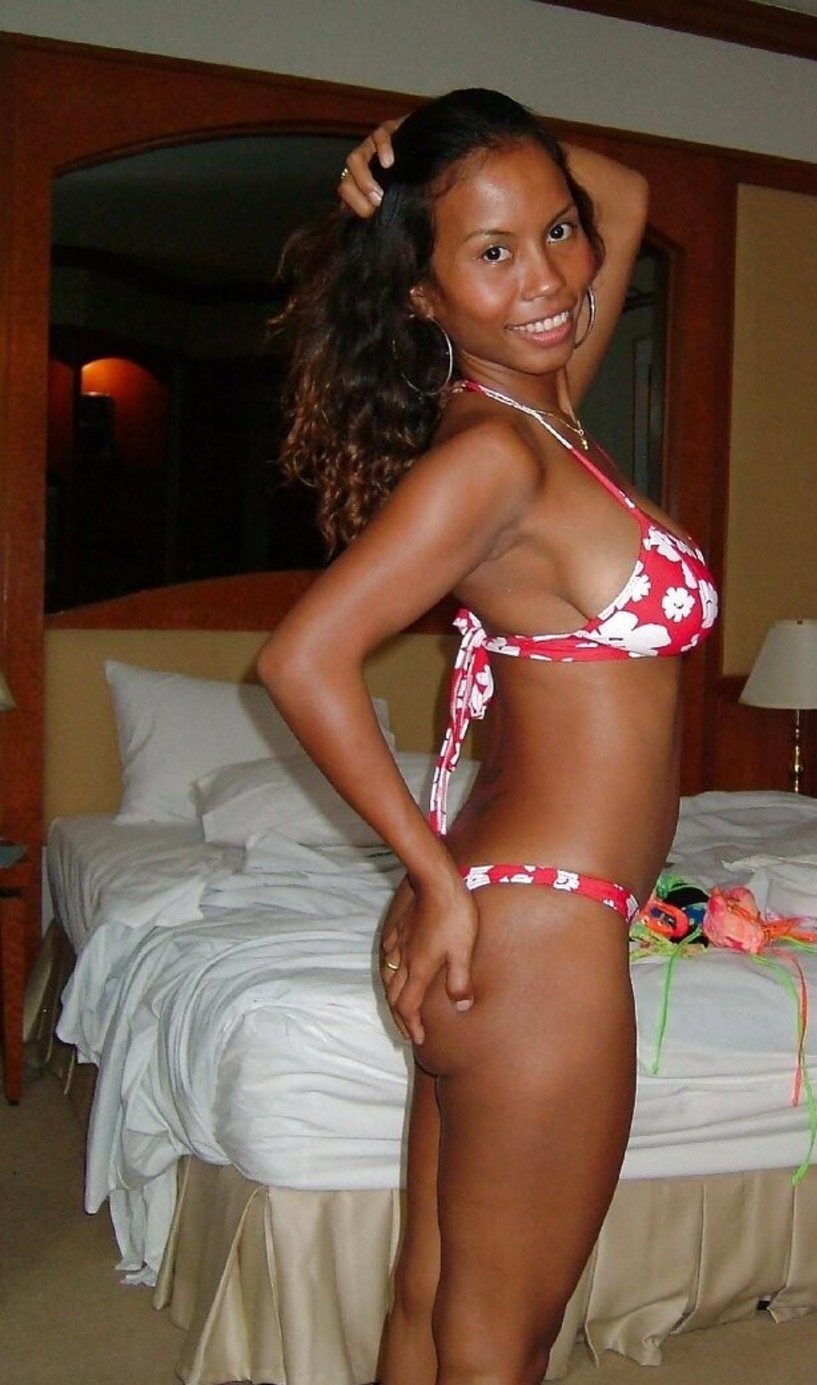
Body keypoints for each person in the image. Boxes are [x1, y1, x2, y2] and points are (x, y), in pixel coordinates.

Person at [258, 88, 718, 1385]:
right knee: (497, 1343)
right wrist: (433, 876)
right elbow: (302, 660)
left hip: (508, 922)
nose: (551, 278)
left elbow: (626, 194)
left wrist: (433, 133)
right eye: (493, 252)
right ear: (424, 292)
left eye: (556, 232)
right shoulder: (495, 460)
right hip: (534, 942)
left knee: (433, 1307)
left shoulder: (549, 411)